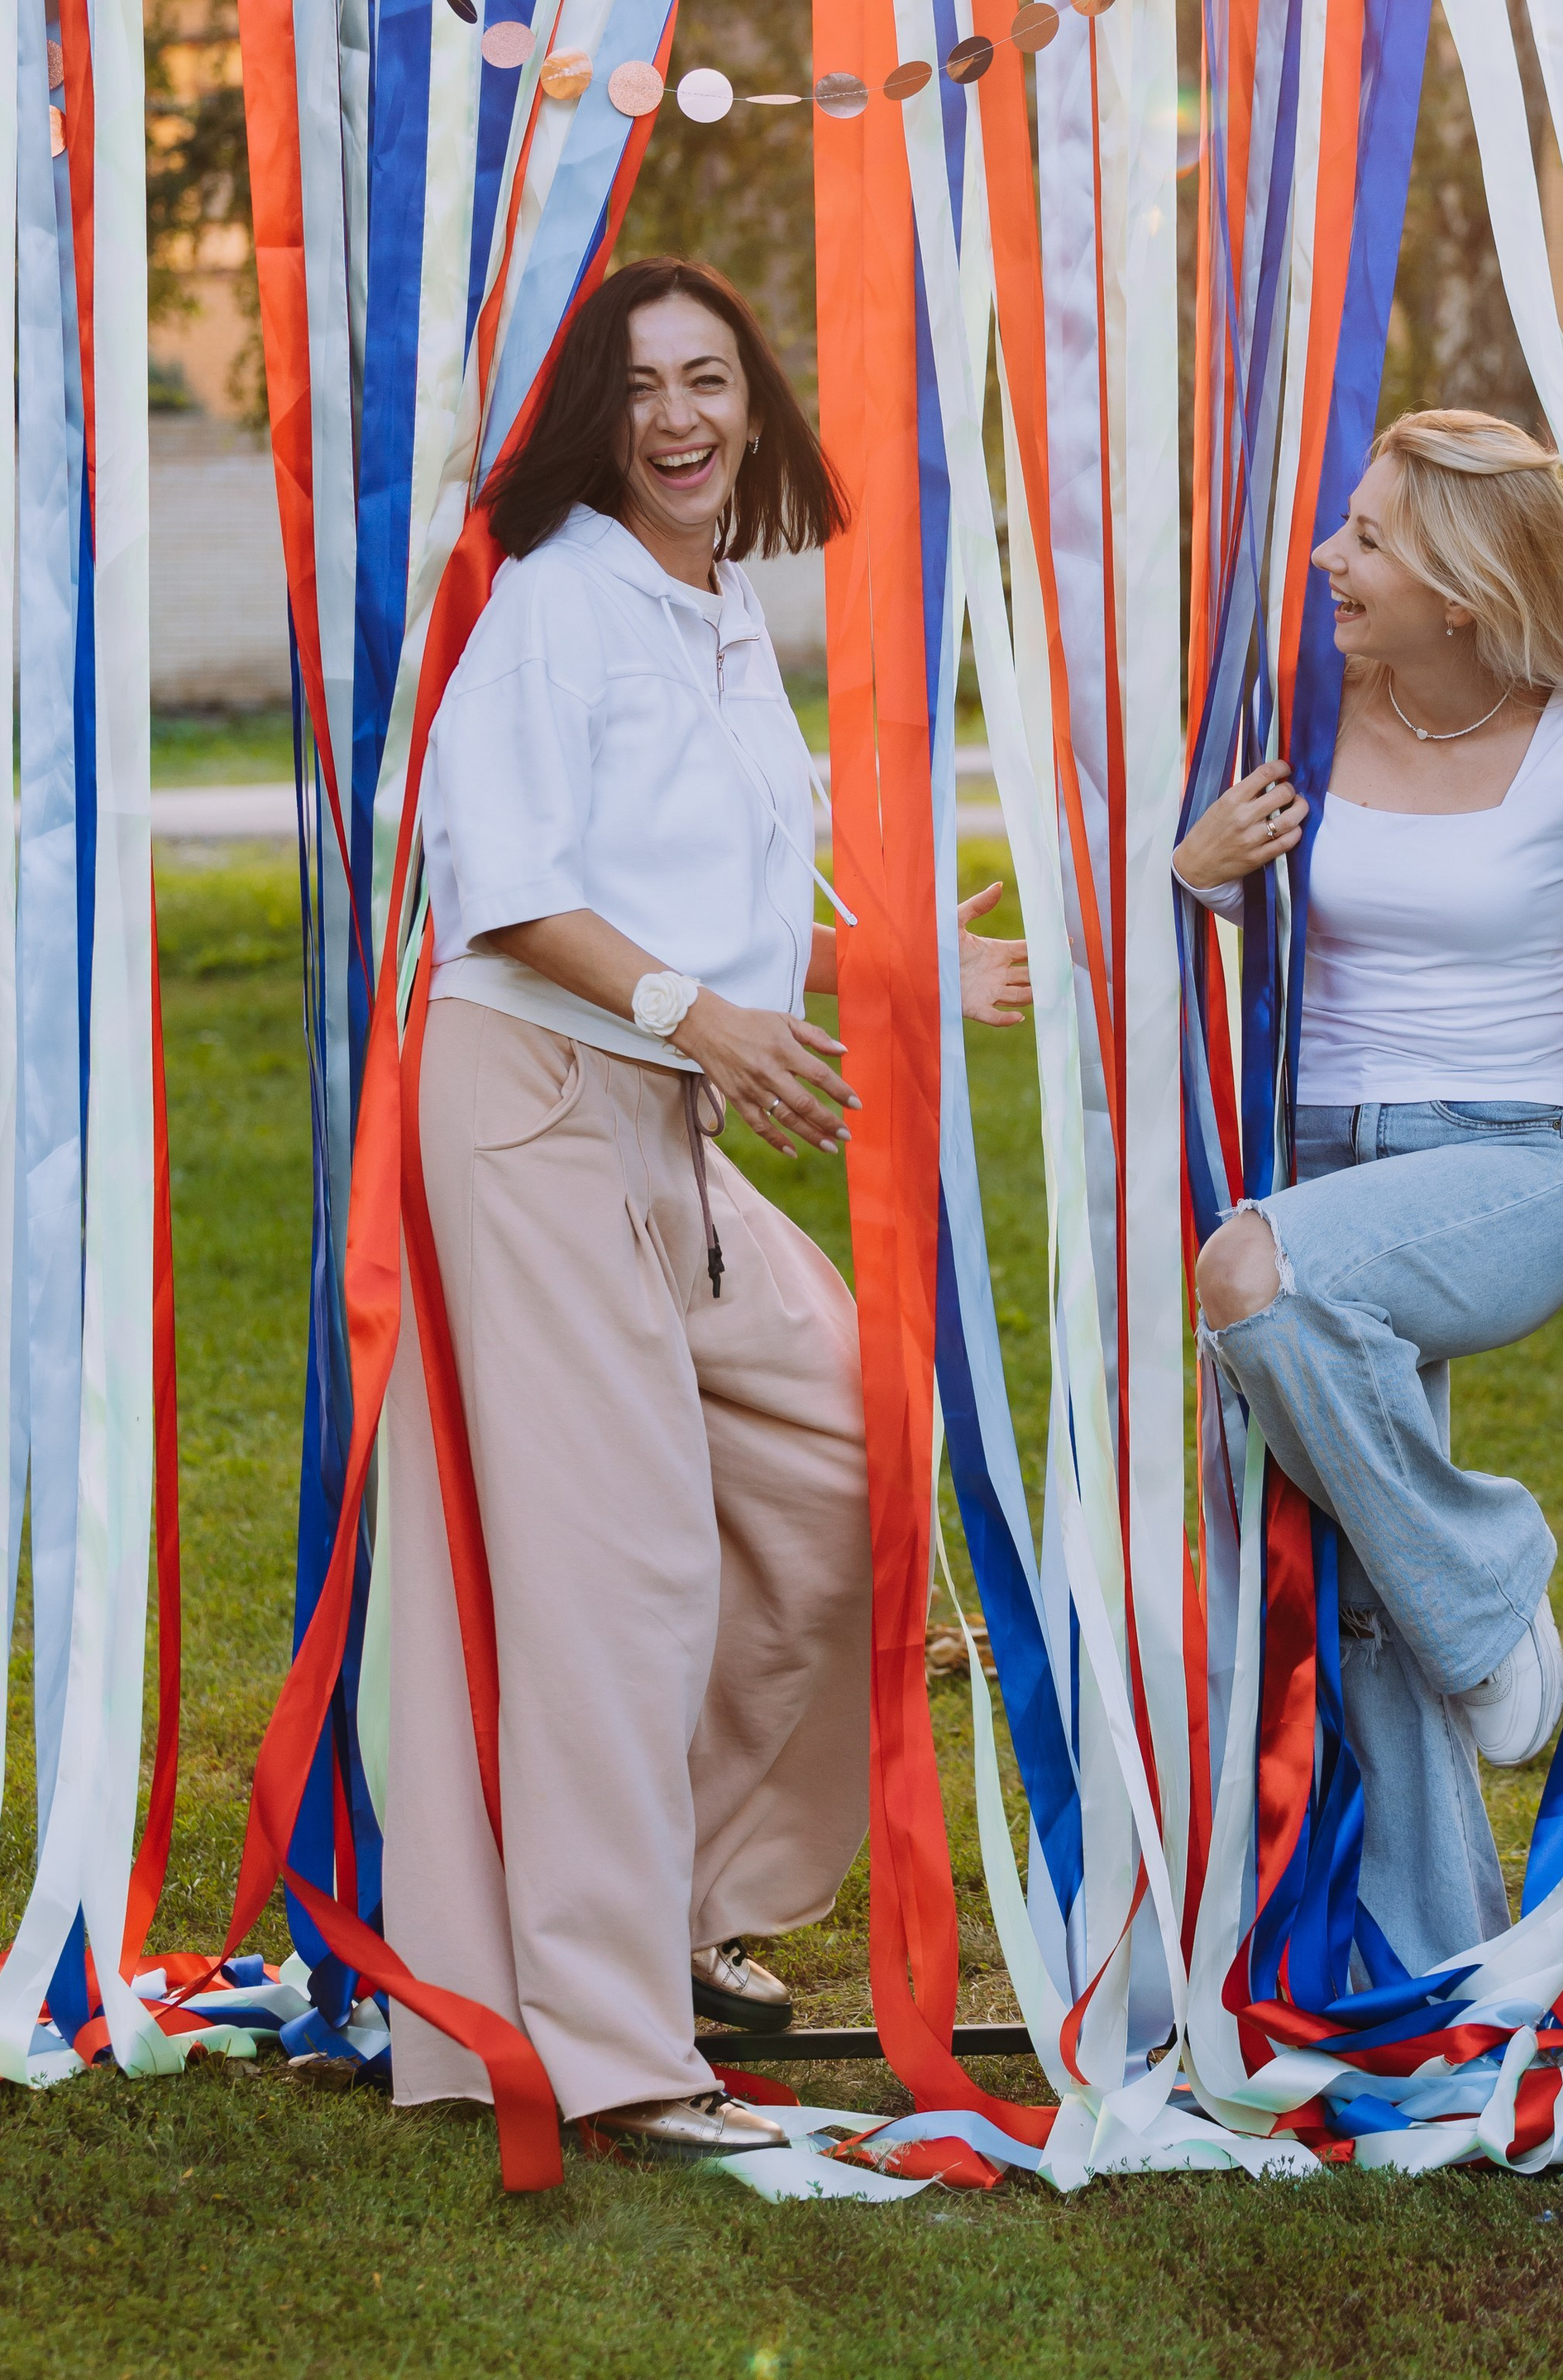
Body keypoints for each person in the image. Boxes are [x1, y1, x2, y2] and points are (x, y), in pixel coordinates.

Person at [383, 256, 1029, 2154]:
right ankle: (603, 2047)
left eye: (711, 381)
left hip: (667, 1115)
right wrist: (699, 1017)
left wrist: (884, 976)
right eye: (645, 385)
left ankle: (680, 1911)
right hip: (536, 1114)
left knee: (844, 1472)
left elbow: (701, 891)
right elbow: (502, 883)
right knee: (625, 1577)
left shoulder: (723, 605)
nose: (679, 416)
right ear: (602, 413)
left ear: (756, 409)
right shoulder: (557, 604)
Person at [1173, 409, 1563, 1986]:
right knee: (1350, 1579)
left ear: (1459, 586)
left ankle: (1493, 1573)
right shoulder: (1293, 713)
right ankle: (1441, 1968)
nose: (1330, 556)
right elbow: (1137, 906)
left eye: (1369, 538)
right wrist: (1189, 874)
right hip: (1323, 1163)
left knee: (1252, 1277)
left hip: (1510, 1165)